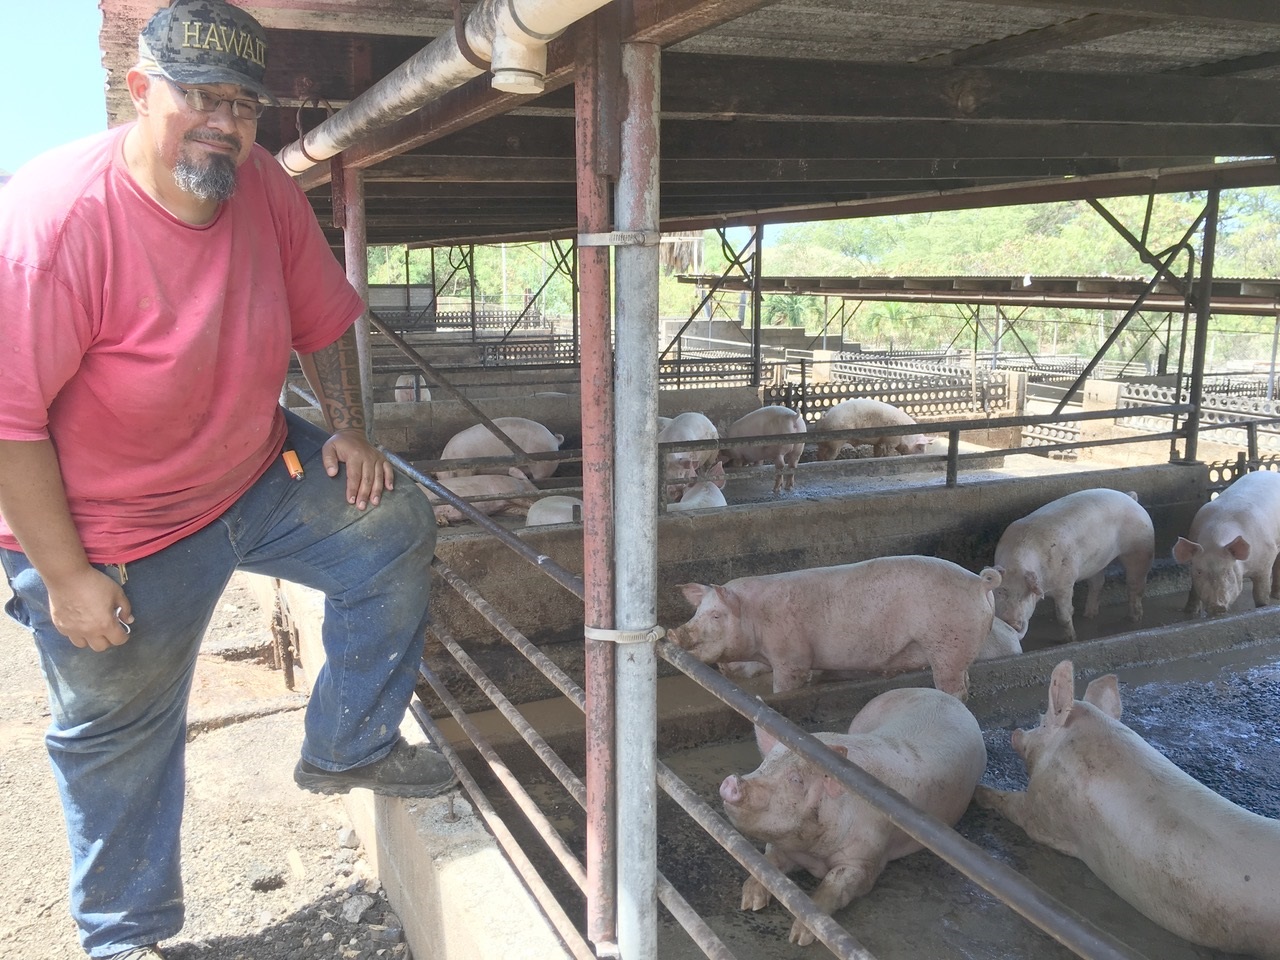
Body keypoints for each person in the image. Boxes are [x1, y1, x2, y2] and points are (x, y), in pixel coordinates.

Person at [0, 1, 457, 957]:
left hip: (252, 471)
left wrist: (351, 432)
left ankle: (349, 746)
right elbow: (7, 424)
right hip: (109, 528)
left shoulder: (262, 191)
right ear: (139, 92)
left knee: (391, 522)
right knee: (120, 736)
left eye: (244, 105)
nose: (224, 122)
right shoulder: (53, 222)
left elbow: (325, 316)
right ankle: (125, 939)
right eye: (199, 96)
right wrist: (70, 576)